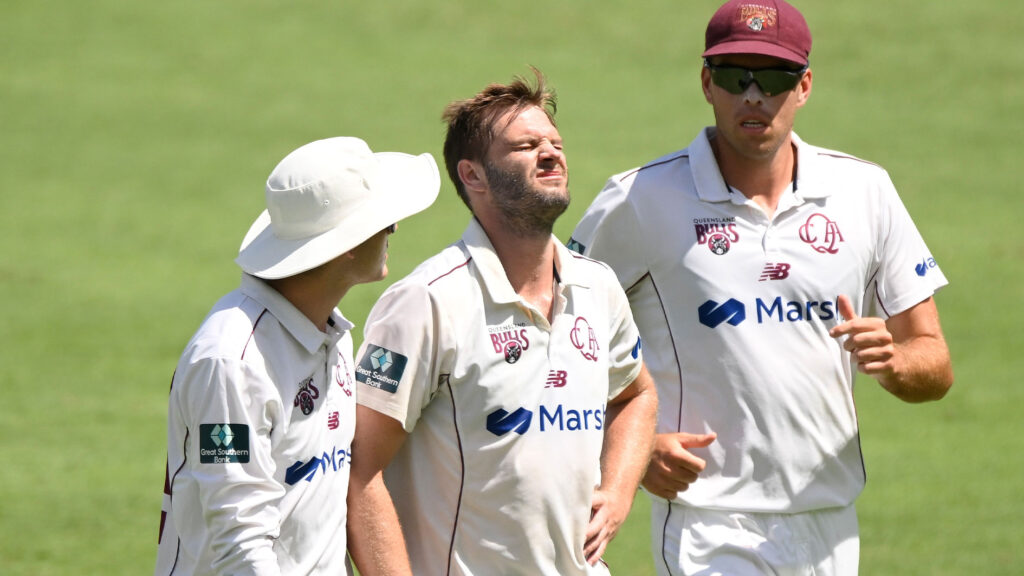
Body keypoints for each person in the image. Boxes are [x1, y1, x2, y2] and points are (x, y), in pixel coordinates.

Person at [570, 0, 954, 573]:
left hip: (829, 520)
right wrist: (634, 449)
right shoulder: (638, 200)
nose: (753, 95)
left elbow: (935, 362)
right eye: (734, 76)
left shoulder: (865, 192)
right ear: (707, 84)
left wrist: (896, 362)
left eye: (774, 78)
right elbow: (556, 339)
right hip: (708, 520)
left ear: (804, 87)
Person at [346, 70, 659, 576]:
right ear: (473, 176)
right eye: (526, 146)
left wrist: (619, 492)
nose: (551, 154)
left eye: (555, 143)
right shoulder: (426, 302)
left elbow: (636, 394)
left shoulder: (597, 286)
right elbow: (359, 469)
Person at [154, 137, 439, 576]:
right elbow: (240, 544)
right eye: (384, 221)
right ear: (347, 244)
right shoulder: (231, 362)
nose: (394, 229)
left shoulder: (331, 333)